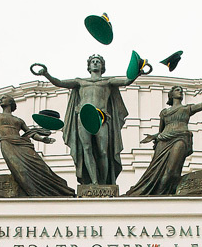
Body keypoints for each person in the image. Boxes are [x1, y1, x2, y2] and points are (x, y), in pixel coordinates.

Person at [35, 54, 134, 186]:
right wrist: (46, 74)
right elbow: (60, 83)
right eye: (92, 62)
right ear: (89, 66)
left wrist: (137, 72)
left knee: (103, 151)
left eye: (98, 62)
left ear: (102, 66)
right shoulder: (80, 82)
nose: (95, 63)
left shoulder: (108, 82)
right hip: (83, 117)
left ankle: (104, 183)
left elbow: (127, 81)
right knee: (86, 148)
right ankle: (93, 182)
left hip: (101, 117)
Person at [0, 88, 74, 196]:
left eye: (4, 98)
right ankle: (34, 193)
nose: (1, 99)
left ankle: (60, 190)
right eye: (1, 98)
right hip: (7, 143)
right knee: (21, 171)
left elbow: (30, 133)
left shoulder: (19, 120)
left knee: (41, 167)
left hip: (22, 144)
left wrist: (42, 139)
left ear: (11, 102)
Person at [126, 76, 202, 196]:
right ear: (171, 95)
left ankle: (163, 195)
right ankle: (157, 197)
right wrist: (153, 136)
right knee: (155, 170)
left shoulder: (187, 108)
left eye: (181, 90)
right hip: (164, 142)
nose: (180, 91)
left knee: (172, 171)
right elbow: (161, 131)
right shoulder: (164, 113)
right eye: (177, 90)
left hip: (181, 138)